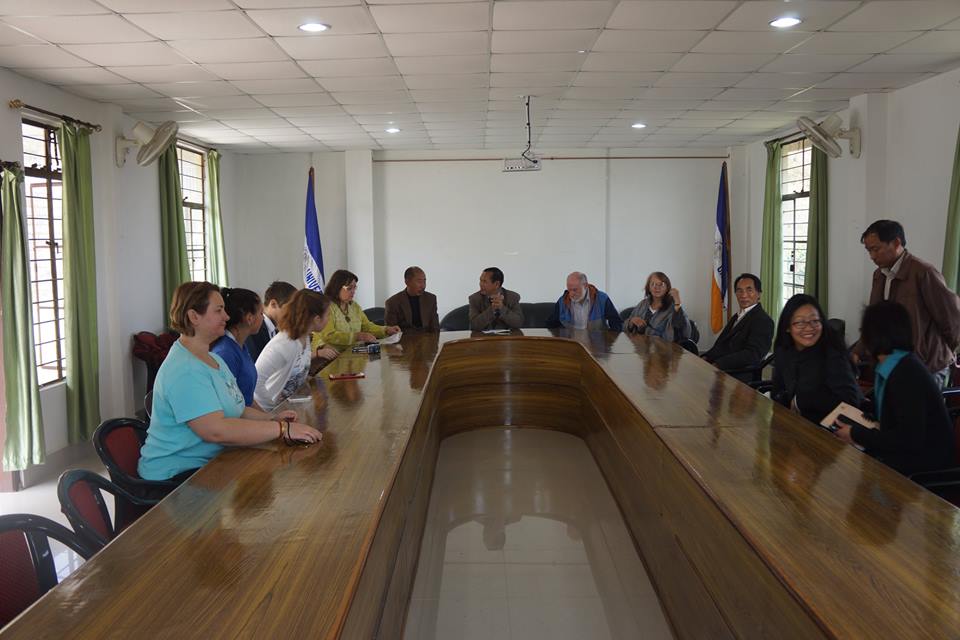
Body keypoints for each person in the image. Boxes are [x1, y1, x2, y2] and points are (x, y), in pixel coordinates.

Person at [139, 282, 321, 483]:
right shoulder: (185, 369)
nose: (226, 316)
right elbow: (216, 431)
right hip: (177, 478)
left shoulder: (213, 359)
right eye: (218, 311)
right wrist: (281, 430)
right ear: (193, 317)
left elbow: (238, 408)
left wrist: (271, 420)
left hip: (212, 464)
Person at [834, 301, 955, 476]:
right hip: (907, 457)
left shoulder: (906, 374)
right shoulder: (896, 364)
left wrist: (856, 434)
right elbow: (888, 413)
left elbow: (907, 440)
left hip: (925, 470)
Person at [855, 220, 960, 386]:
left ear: (896, 243)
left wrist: (944, 354)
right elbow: (874, 321)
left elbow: (953, 318)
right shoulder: (879, 275)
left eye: (876, 249)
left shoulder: (923, 273)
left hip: (926, 365)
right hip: (892, 362)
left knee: (920, 410)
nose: (872, 256)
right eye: (869, 251)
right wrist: (858, 351)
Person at [771, 294, 863, 425]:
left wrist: (801, 401)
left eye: (815, 321)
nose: (809, 328)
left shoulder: (832, 354)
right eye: (800, 322)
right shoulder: (783, 350)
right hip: (795, 426)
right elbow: (778, 389)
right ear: (787, 327)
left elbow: (850, 402)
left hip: (828, 432)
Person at [256, 289, 337, 410]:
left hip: (292, 408)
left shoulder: (305, 338)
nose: (329, 319)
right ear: (316, 319)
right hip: (270, 413)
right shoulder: (284, 344)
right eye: (328, 315)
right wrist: (272, 412)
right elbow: (256, 382)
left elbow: (298, 374)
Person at [701, 273, 774, 381]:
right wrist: (706, 357)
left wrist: (718, 364)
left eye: (749, 290)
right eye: (739, 290)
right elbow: (721, 344)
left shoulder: (763, 321)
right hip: (721, 370)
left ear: (758, 294)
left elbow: (753, 354)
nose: (743, 295)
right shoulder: (737, 316)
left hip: (739, 376)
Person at [314, 269, 400, 352]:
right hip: (330, 356)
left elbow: (367, 327)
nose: (353, 291)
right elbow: (329, 335)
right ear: (337, 287)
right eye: (349, 288)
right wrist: (357, 336)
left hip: (353, 353)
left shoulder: (354, 306)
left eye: (355, 288)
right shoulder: (327, 307)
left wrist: (386, 330)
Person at [210, 287, 262, 407]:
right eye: (261, 313)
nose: (263, 318)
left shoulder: (241, 345)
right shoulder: (225, 353)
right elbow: (231, 405)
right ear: (249, 318)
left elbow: (247, 397)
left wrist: (270, 418)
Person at [545, 271, 622, 331]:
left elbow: (616, 323)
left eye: (575, 290)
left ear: (585, 285)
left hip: (596, 344)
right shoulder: (563, 301)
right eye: (569, 290)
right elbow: (551, 324)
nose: (571, 294)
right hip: (572, 343)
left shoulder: (602, 299)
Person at [626, 272, 691, 342]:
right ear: (649, 288)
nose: (657, 287)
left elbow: (684, 332)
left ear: (667, 287)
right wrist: (631, 321)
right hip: (640, 347)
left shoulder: (674, 306)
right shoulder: (643, 304)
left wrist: (678, 302)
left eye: (661, 284)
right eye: (653, 284)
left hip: (664, 348)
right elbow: (624, 326)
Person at [246, 281, 296, 362]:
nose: (294, 313)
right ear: (273, 304)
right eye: (291, 308)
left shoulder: (277, 330)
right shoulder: (254, 330)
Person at [384, 266, 440, 332]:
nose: (423, 285)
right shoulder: (393, 302)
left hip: (427, 339)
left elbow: (435, 328)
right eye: (419, 281)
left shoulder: (431, 299)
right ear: (407, 282)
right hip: (404, 340)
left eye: (424, 281)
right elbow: (391, 331)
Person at [468, 267, 524, 331]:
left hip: (507, 339)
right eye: (480, 280)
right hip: (484, 339)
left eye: (484, 281)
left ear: (497, 284)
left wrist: (502, 308)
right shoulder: (475, 299)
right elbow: (474, 325)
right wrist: (492, 309)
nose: (480, 284)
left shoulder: (512, 297)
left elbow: (519, 323)